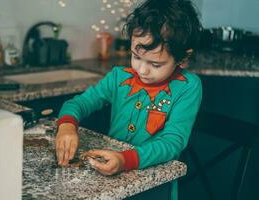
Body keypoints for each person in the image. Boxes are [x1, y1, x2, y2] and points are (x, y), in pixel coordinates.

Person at [56, 0, 202, 198]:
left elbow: (172, 142)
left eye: (155, 64)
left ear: (183, 58)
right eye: (136, 56)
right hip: (111, 181)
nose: (142, 70)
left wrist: (125, 160)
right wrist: (66, 126)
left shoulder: (188, 87)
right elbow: (78, 103)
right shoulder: (119, 77)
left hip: (155, 187)